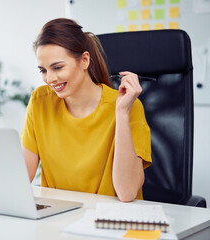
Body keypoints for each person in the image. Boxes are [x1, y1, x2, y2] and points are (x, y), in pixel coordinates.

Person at [21, 18, 152, 202]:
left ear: (84, 60)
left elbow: (127, 192)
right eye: (43, 70)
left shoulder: (128, 106)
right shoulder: (39, 102)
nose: (50, 78)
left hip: (107, 221)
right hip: (58, 219)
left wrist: (121, 113)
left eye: (57, 67)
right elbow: (20, 178)